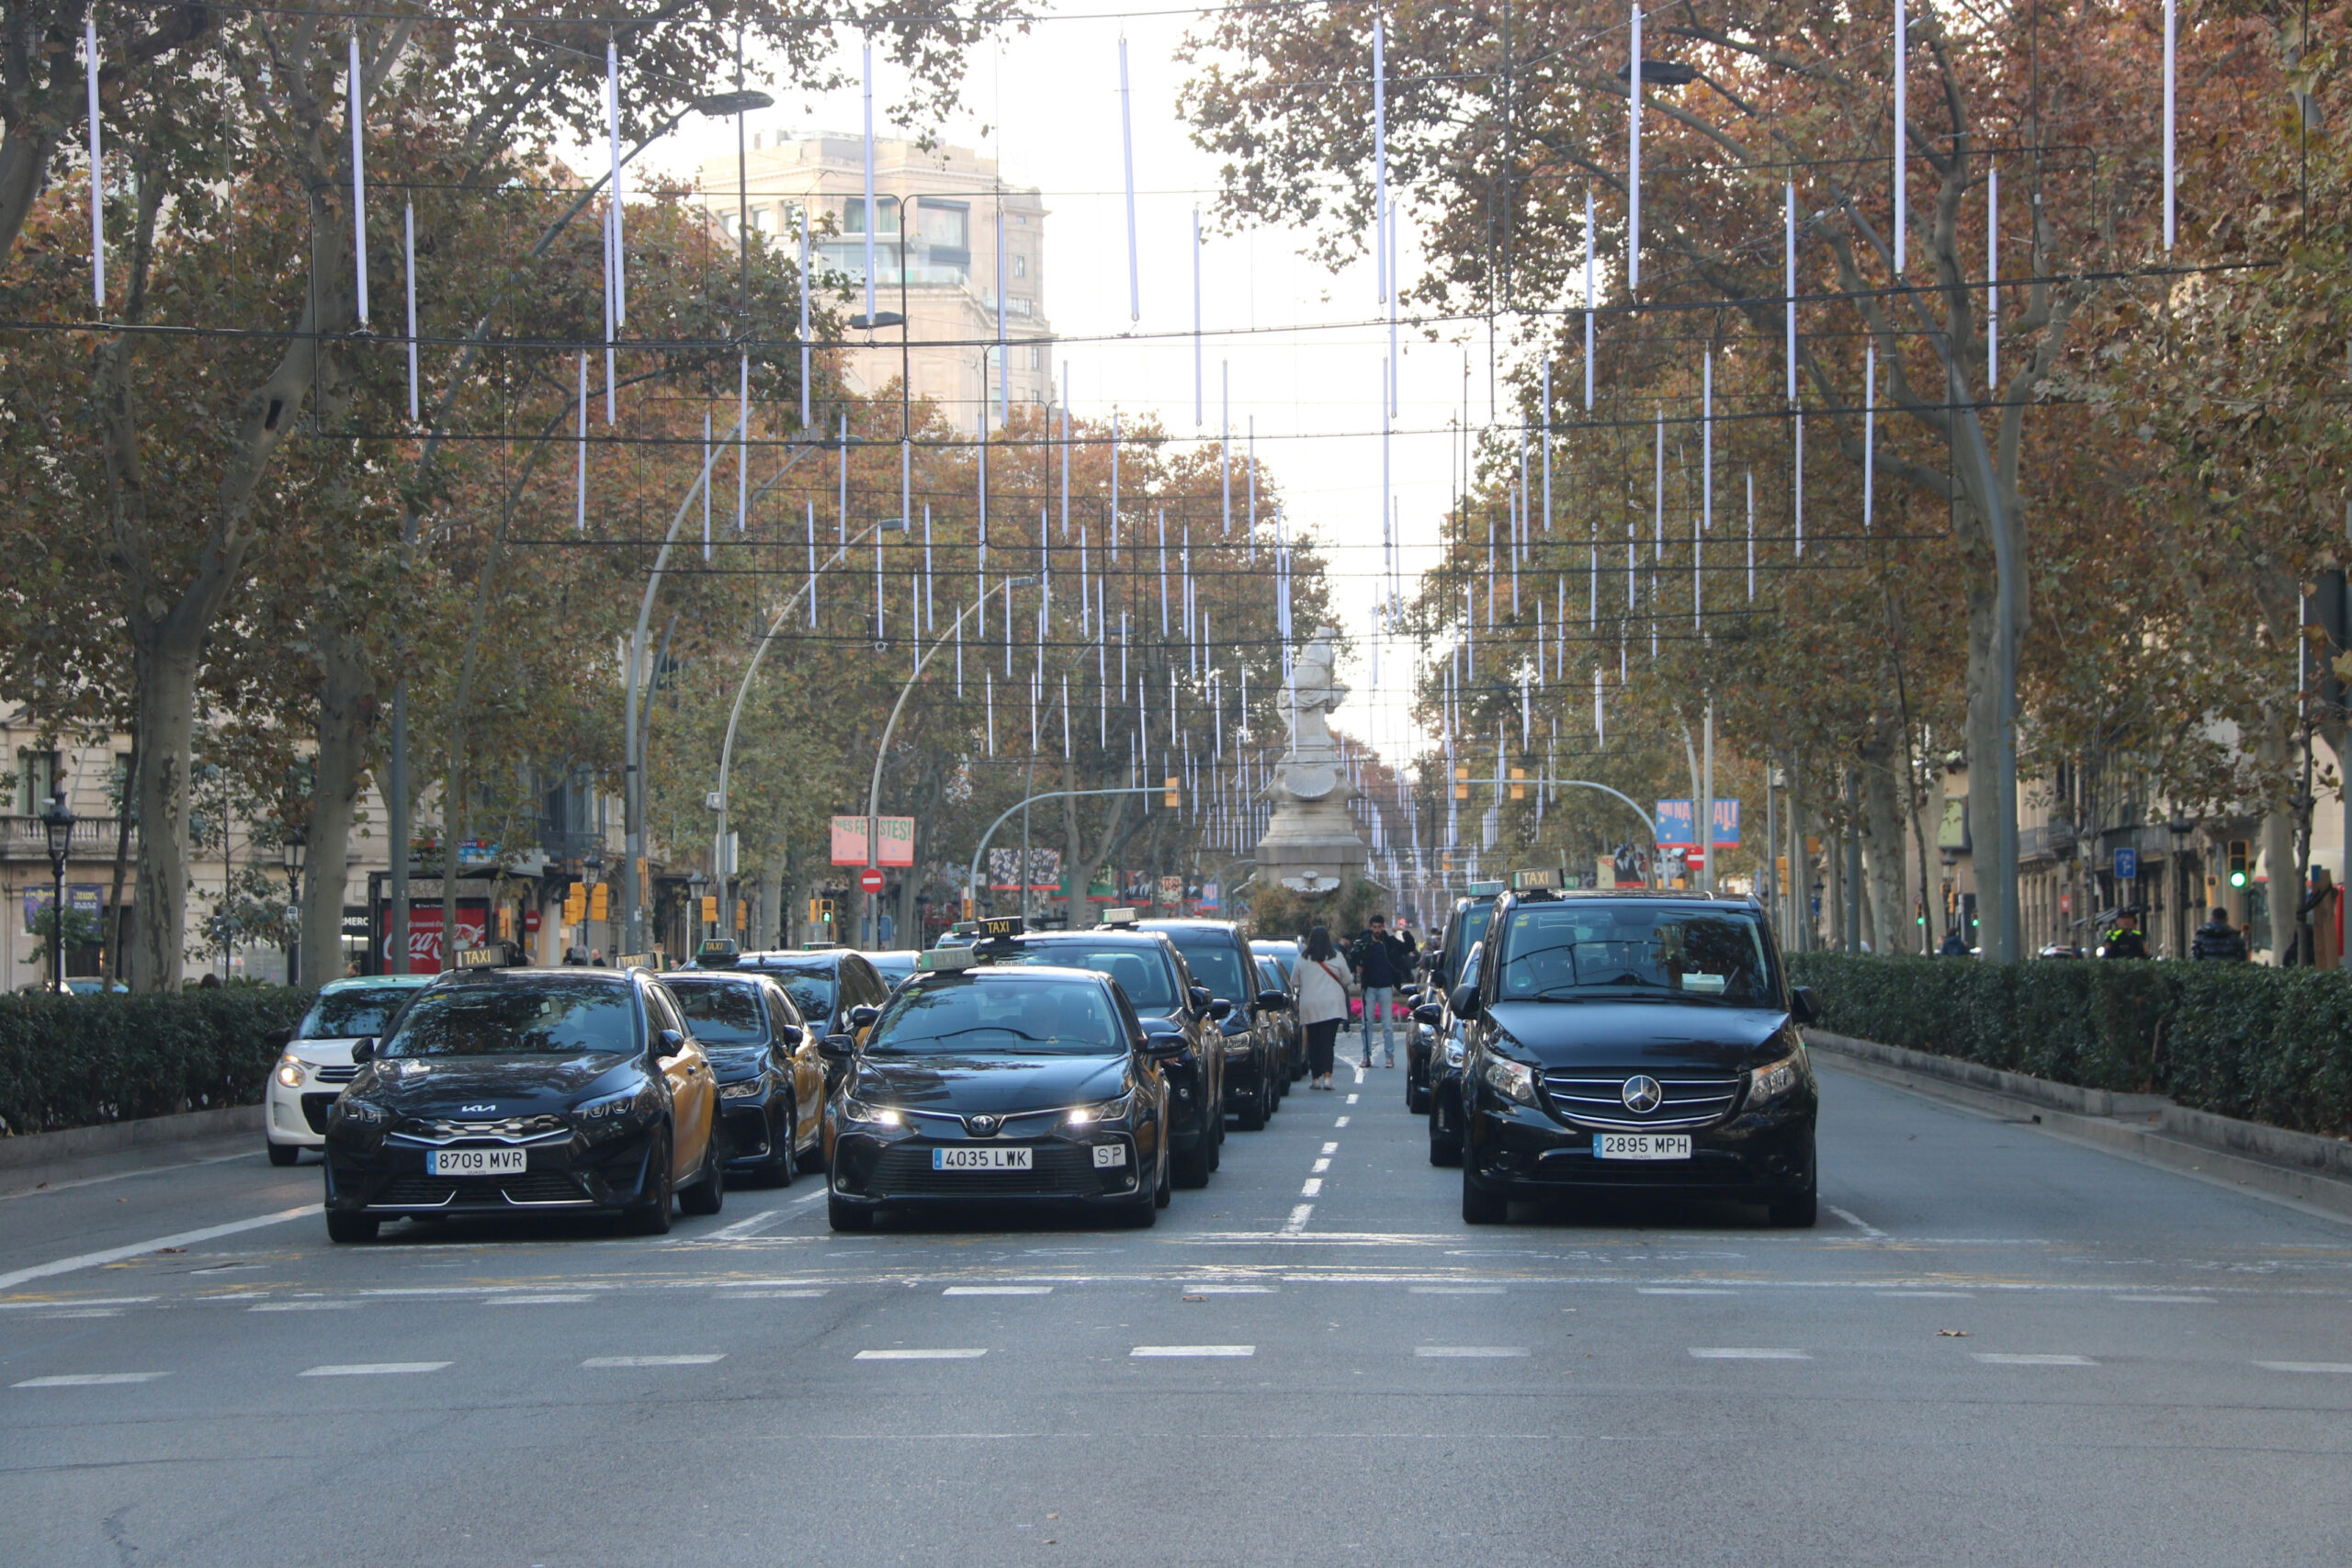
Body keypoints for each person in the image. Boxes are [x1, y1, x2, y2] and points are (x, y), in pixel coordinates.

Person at [1349, 913, 1418, 1068]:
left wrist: (1403, 931)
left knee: (1387, 1024)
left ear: (1383, 927)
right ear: (1370, 927)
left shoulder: (1390, 942)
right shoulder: (1365, 943)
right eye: (1375, 927)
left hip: (1386, 986)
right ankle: (1366, 1056)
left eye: (1380, 927)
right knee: (1367, 1024)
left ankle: (1389, 1056)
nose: (1377, 930)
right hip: (1369, 987)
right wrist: (1357, 966)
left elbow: (1409, 946)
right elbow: (1353, 959)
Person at [1295, 925, 1354, 1090]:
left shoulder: (1301, 958)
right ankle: (1328, 1077)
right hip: (1332, 1005)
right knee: (1328, 1042)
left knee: (1313, 1042)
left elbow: (1294, 981)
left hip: (1310, 1005)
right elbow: (1347, 979)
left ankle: (1315, 1078)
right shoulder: (1337, 957)